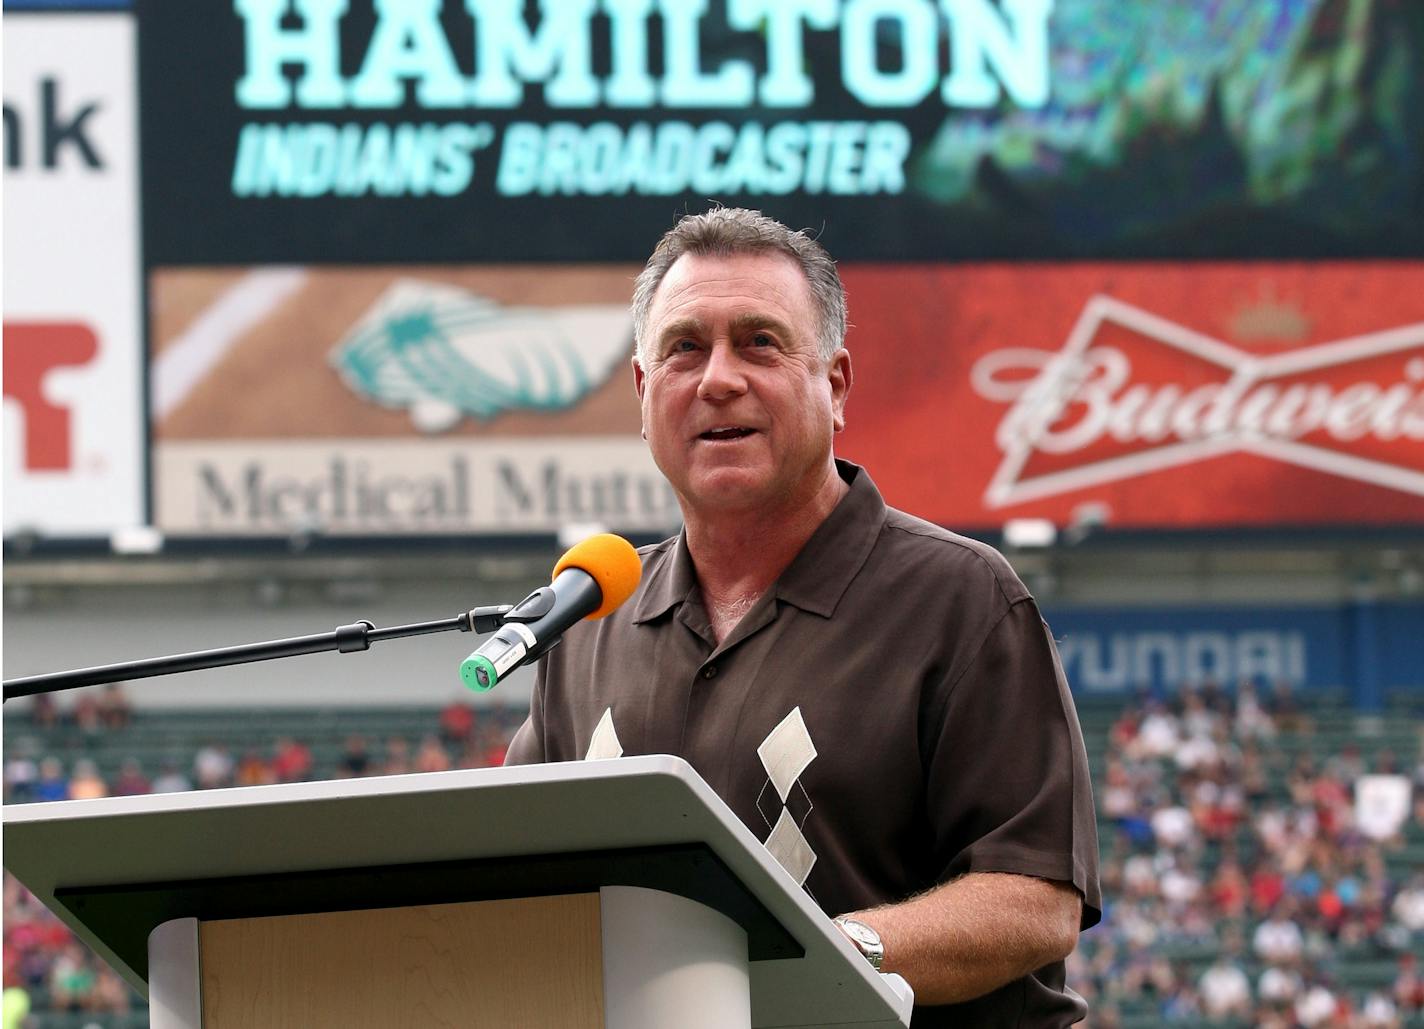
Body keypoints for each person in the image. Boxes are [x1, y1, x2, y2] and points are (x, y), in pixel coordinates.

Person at [505, 208, 1100, 1025]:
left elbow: (1036, 900)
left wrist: (830, 951)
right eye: (685, 347)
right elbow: (506, 876)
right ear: (645, 392)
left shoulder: (962, 597)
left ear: (835, 383)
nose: (718, 378)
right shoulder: (587, 623)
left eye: (759, 342)